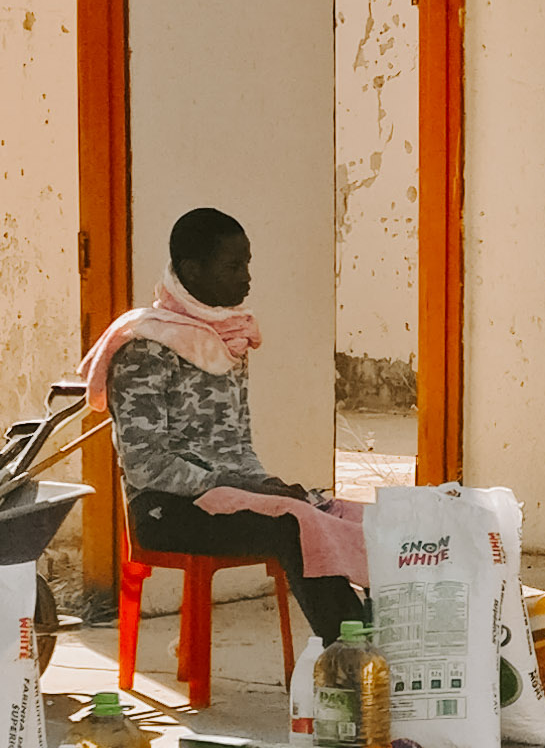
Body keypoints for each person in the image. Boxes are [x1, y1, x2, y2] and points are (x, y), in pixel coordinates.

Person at [83, 207, 368, 640]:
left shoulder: (227, 341)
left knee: (342, 515)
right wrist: (242, 488)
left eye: (247, 264)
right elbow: (146, 464)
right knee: (294, 526)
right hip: (165, 508)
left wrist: (267, 485)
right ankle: (353, 651)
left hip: (228, 495)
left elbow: (239, 446)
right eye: (234, 266)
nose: (247, 279)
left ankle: (391, 636)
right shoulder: (146, 350)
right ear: (192, 271)